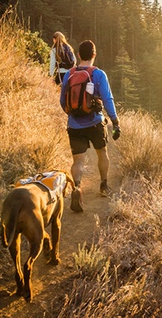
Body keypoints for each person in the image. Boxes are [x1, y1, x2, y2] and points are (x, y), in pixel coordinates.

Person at [60, 40, 120, 212]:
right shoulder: (99, 74)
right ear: (94, 55)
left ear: (78, 55)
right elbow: (108, 100)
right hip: (95, 122)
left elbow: (62, 100)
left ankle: (77, 187)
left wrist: (73, 114)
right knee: (102, 153)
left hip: (74, 124)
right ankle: (103, 186)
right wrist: (115, 122)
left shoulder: (69, 74)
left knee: (78, 160)